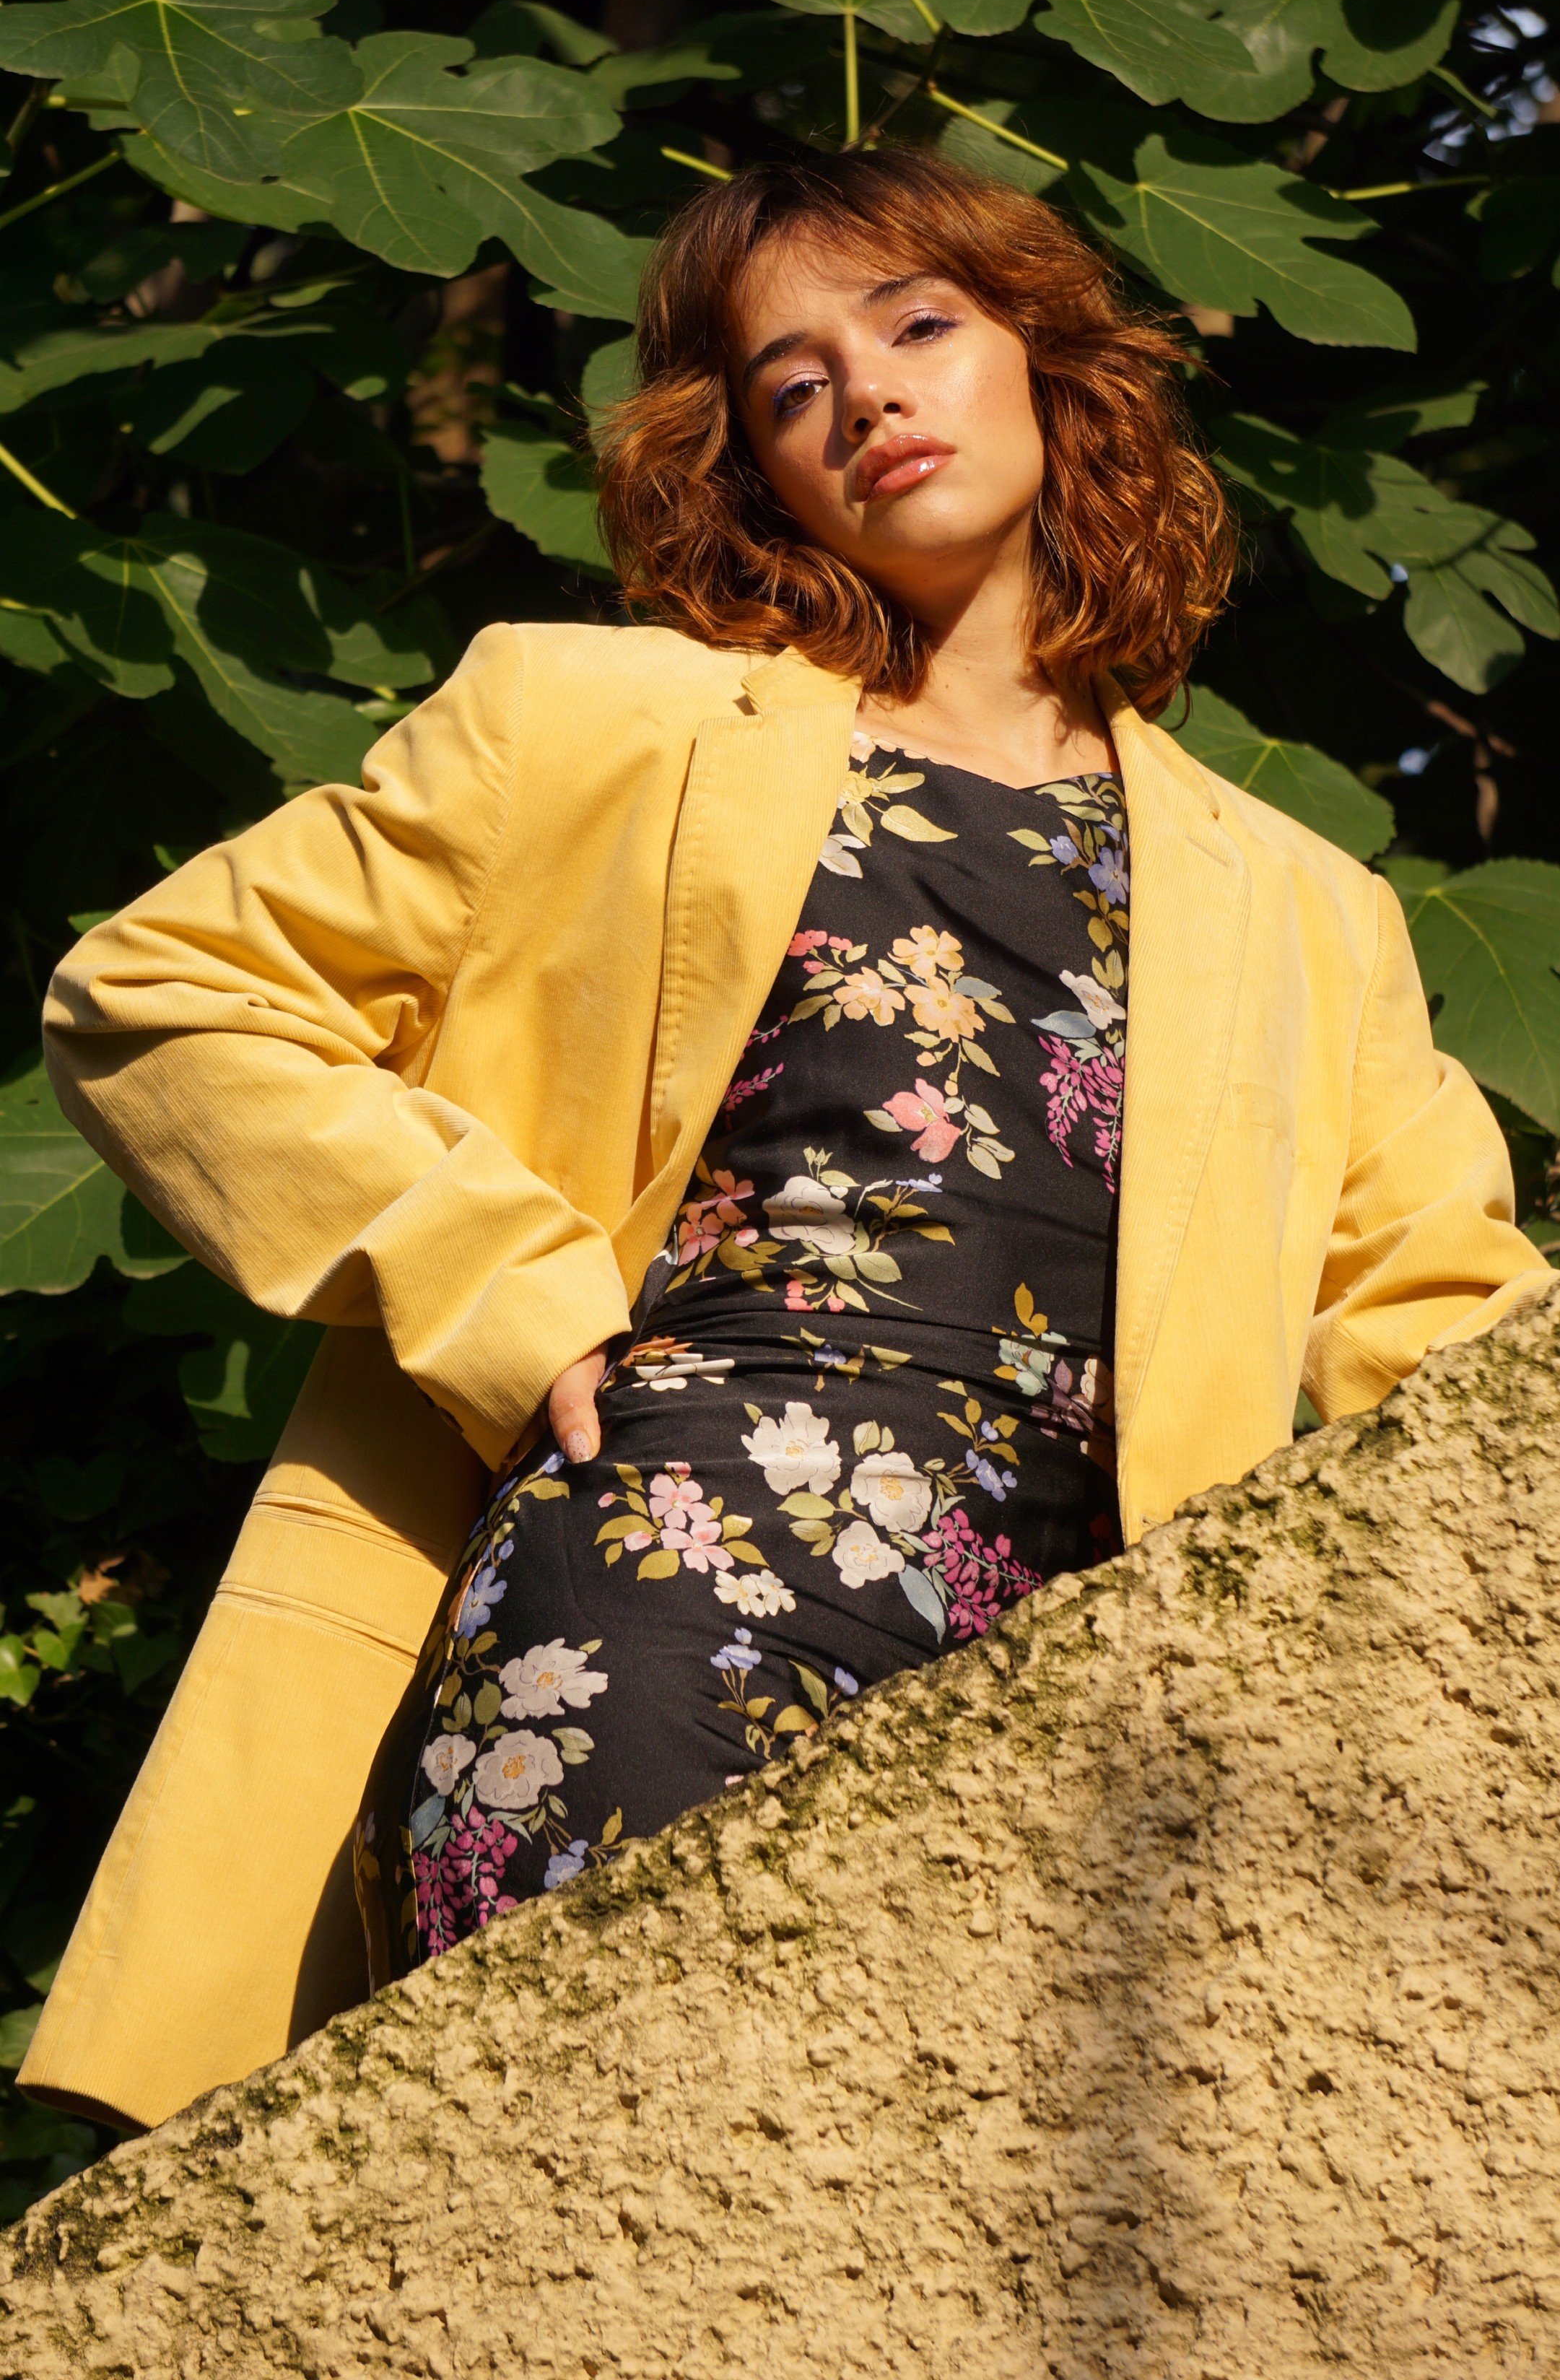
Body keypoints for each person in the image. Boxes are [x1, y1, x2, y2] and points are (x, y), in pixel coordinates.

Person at [21, 152, 1549, 2132]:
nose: (868, 394)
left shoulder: (1310, 910)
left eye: (919, 324)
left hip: (1085, 1712)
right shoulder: (591, 720)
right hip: (666, 1577)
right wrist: (500, 1293)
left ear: (1049, 365)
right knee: (616, 2157)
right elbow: (164, 992)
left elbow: (1448, 1343)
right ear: (751, 467)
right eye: (792, 383)